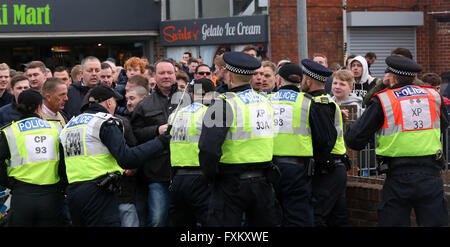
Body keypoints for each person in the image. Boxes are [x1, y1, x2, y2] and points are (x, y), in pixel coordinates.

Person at [344, 56, 449, 227]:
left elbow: (354, 139)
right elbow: (443, 125)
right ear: (414, 78)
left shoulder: (384, 100)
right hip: (431, 174)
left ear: (391, 78)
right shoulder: (433, 96)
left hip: (398, 176)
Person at [60, 85, 171, 227]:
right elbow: (127, 159)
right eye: (115, 102)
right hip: (99, 193)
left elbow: (62, 167)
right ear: (108, 103)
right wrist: (161, 142)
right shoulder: (103, 122)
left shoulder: (70, 124)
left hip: (74, 194)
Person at [198, 51, 281, 227]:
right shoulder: (265, 102)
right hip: (263, 182)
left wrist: (211, 176)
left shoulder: (223, 103)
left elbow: (208, 147)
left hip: (231, 184)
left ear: (229, 74)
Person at [130, 58, 189, 227]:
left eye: (169, 73)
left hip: (184, 171)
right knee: (157, 220)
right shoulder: (144, 105)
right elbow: (135, 134)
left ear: (175, 74)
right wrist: (156, 130)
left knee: (183, 220)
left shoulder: (189, 100)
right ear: (154, 76)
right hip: (157, 171)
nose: (166, 76)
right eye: (162, 73)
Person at [0, 89, 66, 227]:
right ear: (39, 107)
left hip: (22, 195)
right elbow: (64, 163)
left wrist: (9, 182)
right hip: (51, 196)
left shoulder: (9, 132)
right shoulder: (56, 128)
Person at [300, 59, 350, 227]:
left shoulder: (319, 103)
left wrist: (319, 163)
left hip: (329, 167)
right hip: (335, 165)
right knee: (337, 217)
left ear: (308, 80)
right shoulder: (324, 101)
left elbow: (324, 140)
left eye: (303, 78)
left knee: (318, 215)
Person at [268, 62, 315, 226]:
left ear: (278, 81)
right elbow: (322, 138)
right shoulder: (308, 102)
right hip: (298, 170)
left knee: (271, 216)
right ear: (301, 82)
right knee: (298, 216)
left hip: (268, 168)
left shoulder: (265, 101)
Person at [169, 78, 216, 227]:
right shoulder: (209, 114)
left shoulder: (175, 115)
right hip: (201, 178)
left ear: (191, 94)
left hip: (177, 179)